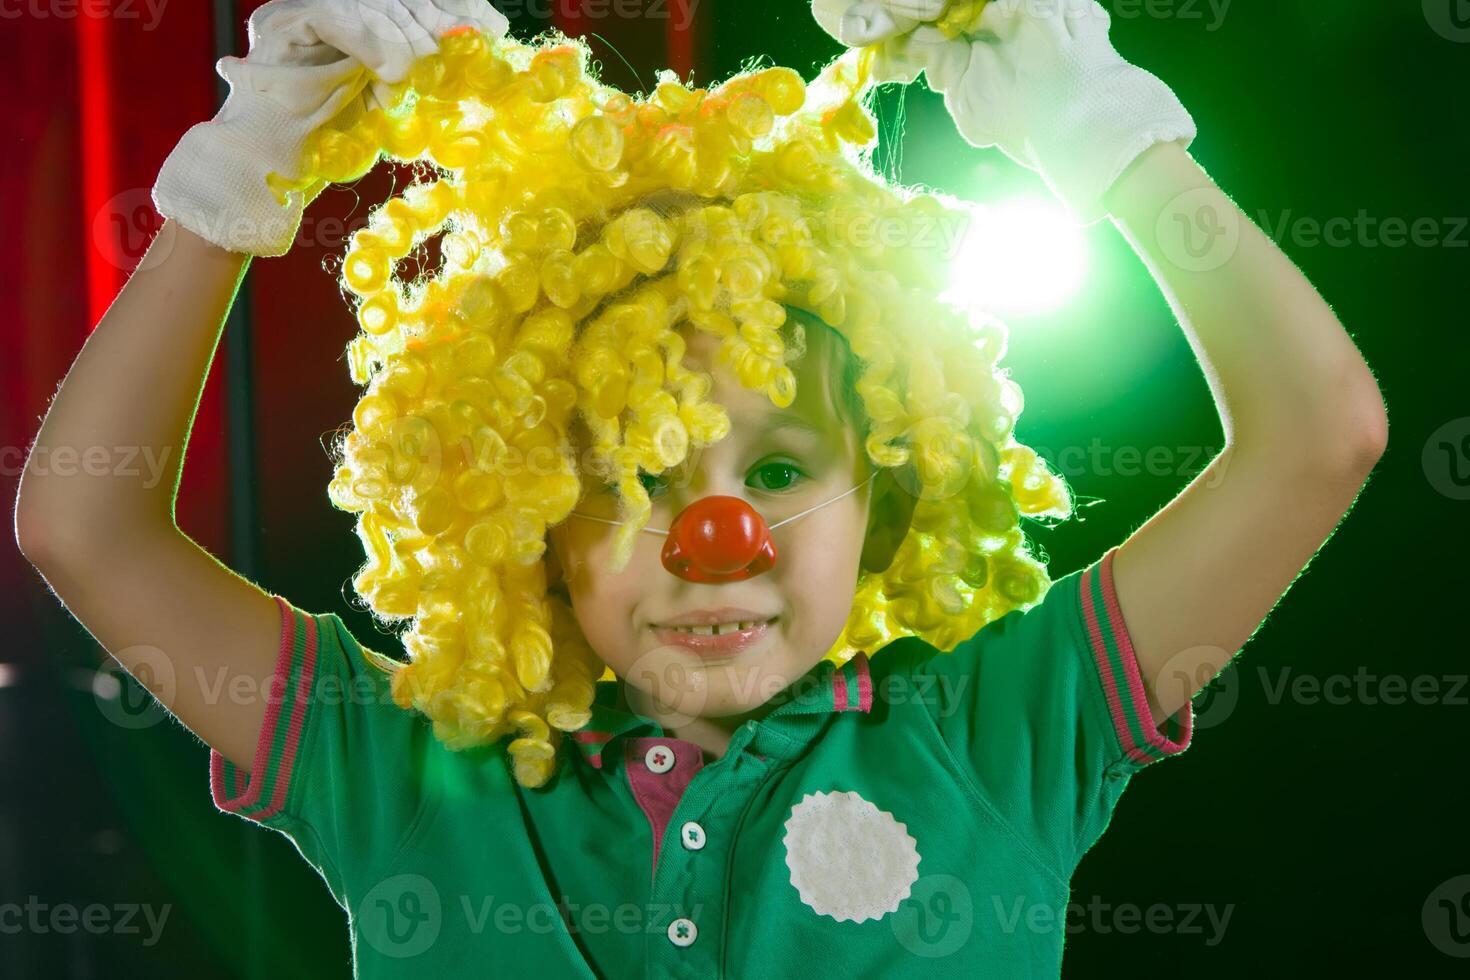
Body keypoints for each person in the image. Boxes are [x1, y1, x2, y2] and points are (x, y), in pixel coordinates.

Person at [14, 0, 1387, 975]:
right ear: (525, 526)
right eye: (630, 475)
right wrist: (237, 175)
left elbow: (1316, 433)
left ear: (891, 497)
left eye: (780, 470)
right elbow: (81, 522)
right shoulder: (403, 771)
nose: (717, 540)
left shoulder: (997, 736)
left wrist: (1105, 135)